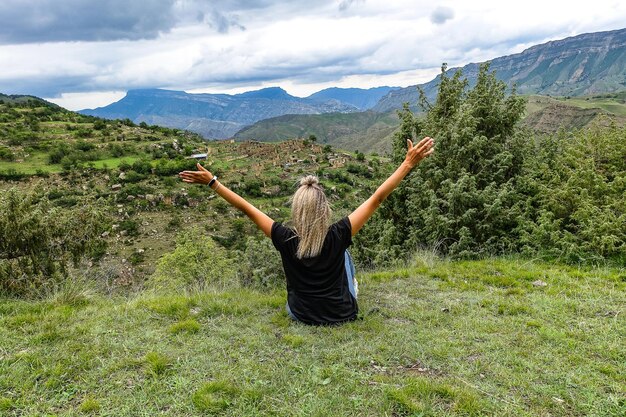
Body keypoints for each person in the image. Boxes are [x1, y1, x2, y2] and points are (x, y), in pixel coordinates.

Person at [179, 136, 434, 325]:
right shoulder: (339, 233)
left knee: (339, 253)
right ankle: (350, 288)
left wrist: (213, 182)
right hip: (343, 314)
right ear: (324, 208)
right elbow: (377, 198)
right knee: (344, 253)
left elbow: (247, 208)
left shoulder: (284, 237)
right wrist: (408, 163)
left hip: (300, 316)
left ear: (296, 210)